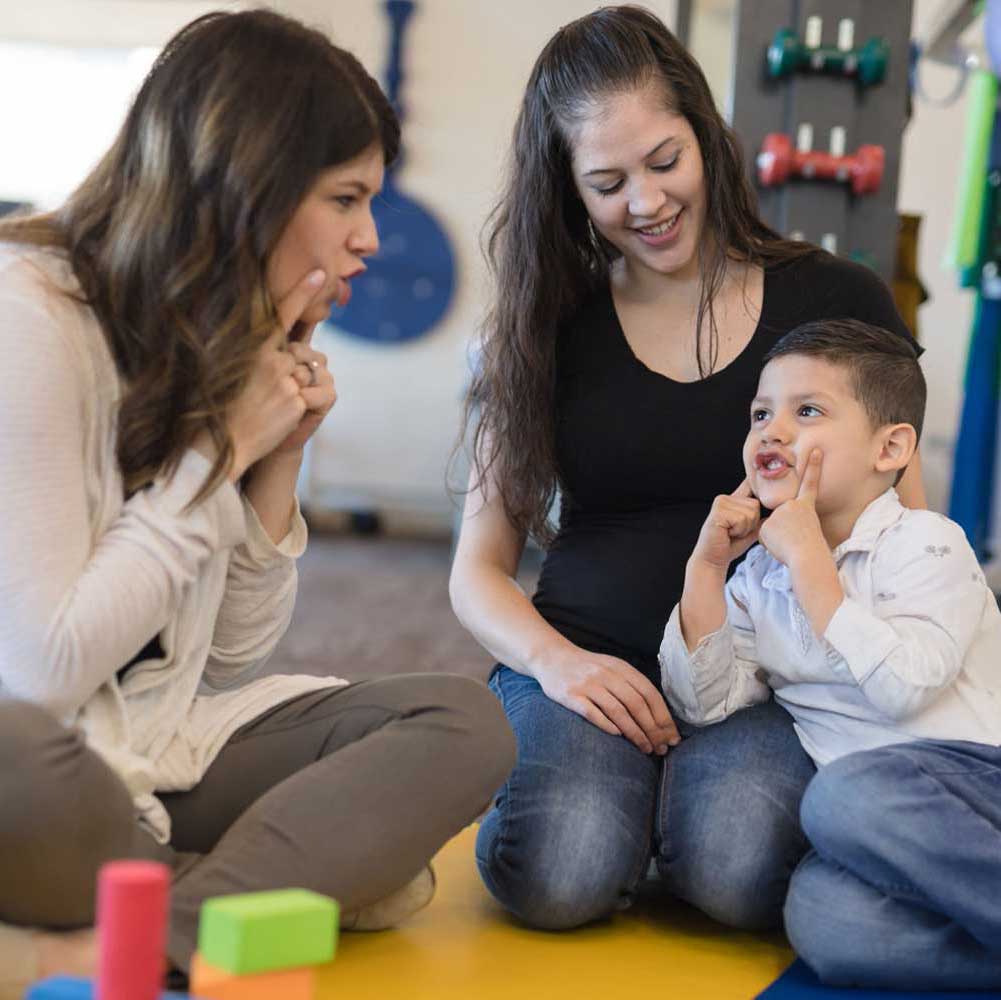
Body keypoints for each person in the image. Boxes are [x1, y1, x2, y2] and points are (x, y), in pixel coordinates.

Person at [0, 11, 515, 997]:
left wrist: (275, 462)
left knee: (465, 721)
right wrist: (218, 448)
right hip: (43, 754)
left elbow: (227, 660)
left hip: (151, 760)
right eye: (345, 197)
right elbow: (46, 671)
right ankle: (262, 901)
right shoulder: (29, 316)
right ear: (247, 189)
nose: (369, 235)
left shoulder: (218, 333)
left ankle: (137, 939)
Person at [450, 5, 926, 932]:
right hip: (588, 655)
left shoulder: (836, 298)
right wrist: (559, 667)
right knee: (561, 873)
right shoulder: (541, 324)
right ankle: (617, 812)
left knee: (737, 871)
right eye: (606, 182)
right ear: (568, 190)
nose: (646, 202)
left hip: (767, 678)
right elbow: (477, 570)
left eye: (664, 161)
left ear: (706, 136)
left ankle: (665, 820)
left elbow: (907, 529)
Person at [660, 319, 1001, 991]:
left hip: (972, 784)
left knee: (839, 796)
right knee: (822, 918)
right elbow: (703, 703)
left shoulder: (926, 543)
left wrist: (812, 565)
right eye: (761, 413)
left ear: (889, 447)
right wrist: (705, 570)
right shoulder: (761, 577)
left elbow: (905, 688)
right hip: (873, 824)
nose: (772, 432)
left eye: (806, 411)